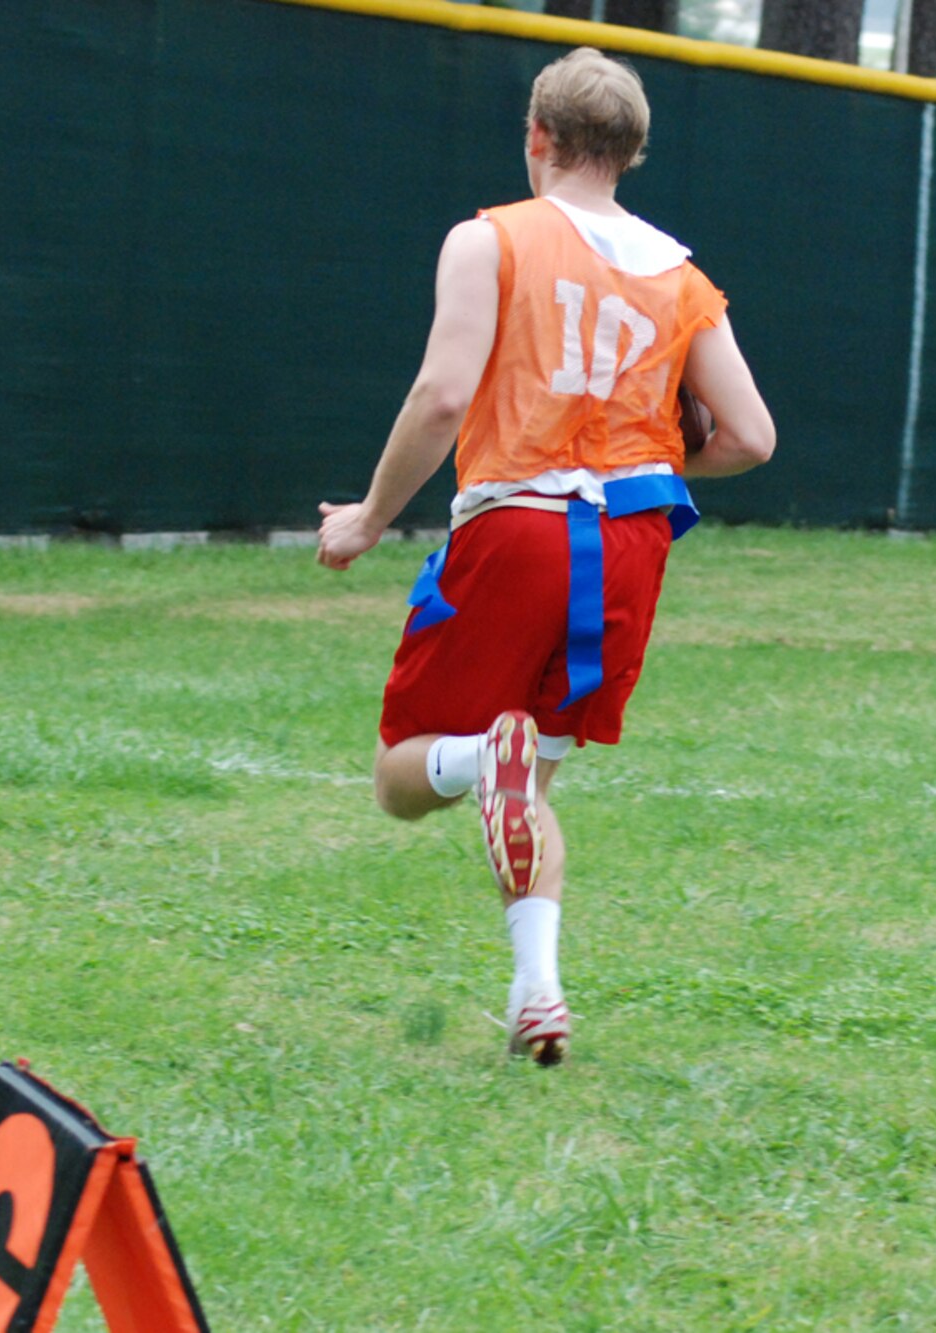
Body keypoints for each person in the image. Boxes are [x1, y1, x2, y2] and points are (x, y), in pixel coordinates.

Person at [315, 48, 775, 1067]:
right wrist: (652, 446)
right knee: (532, 786)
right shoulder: (682, 276)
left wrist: (366, 517)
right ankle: (538, 993)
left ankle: (481, 755)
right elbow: (748, 437)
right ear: (633, 153)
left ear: (538, 139)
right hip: (632, 541)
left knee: (404, 774)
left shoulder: (490, 240)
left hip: (520, 522)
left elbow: (442, 397)